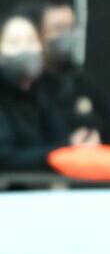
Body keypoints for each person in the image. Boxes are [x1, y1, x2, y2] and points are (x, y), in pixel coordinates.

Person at [16, 0, 110, 146]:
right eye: (59, 28)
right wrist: (68, 143)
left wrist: (94, 134)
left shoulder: (79, 79)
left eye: (71, 27)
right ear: (35, 33)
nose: (67, 35)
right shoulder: (23, 84)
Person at [0, 12, 93, 172]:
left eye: (31, 41)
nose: (25, 49)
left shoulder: (42, 91)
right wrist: (61, 150)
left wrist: (78, 142)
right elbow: (5, 157)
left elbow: (63, 138)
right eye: (15, 42)